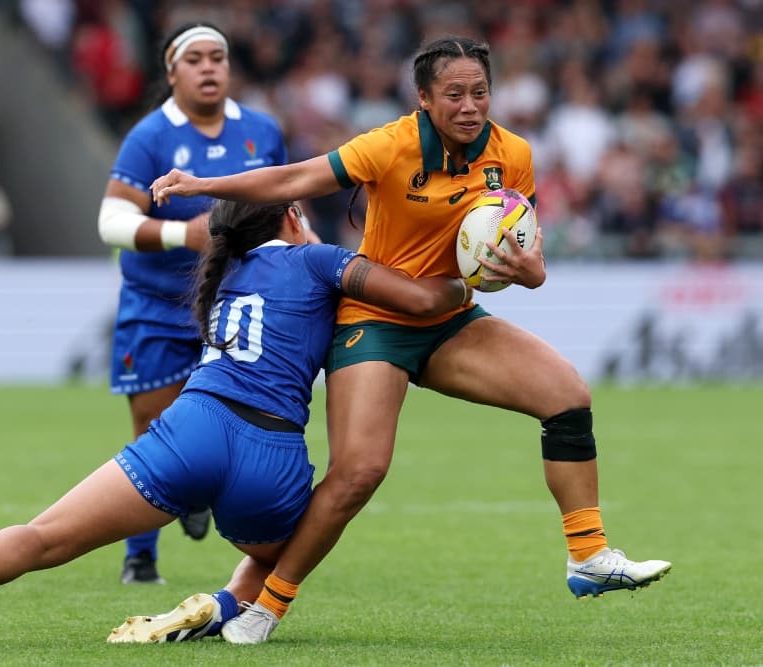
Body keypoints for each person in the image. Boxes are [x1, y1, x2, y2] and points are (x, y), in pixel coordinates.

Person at [148, 35, 672, 644]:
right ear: (423, 99)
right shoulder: (390, 145)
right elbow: (297, 176)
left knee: (567, 396)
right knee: (359, 472)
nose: (470, 105)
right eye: (454, 94)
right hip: (372, 321)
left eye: (480, 92)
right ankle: (265, 606)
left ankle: (588, 556)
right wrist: (200, 185)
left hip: (450, 322)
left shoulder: (514, 154)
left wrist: (529, 271)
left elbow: (528, 253)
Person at [0, 199, 473, 649]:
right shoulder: (319, 259)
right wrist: (468, 276)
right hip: (269, 449)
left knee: (44, 536)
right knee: (288, 553)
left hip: (191, 424)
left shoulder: (227, 273)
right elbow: (416, 299)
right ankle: (224, 605)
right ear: (294, 216)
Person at [96, 21, 298, 584]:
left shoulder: (261, 132)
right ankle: (141, 554)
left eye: (218, 58)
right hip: (159, 302)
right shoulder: (150, 136)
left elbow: (283, 206)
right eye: (195, 59)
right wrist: (178, 235)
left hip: (237, 298)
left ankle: (218, 502)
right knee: (152, 422)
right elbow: (110, 220)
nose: (209, 67)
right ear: (172, 72)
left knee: (245, 414)